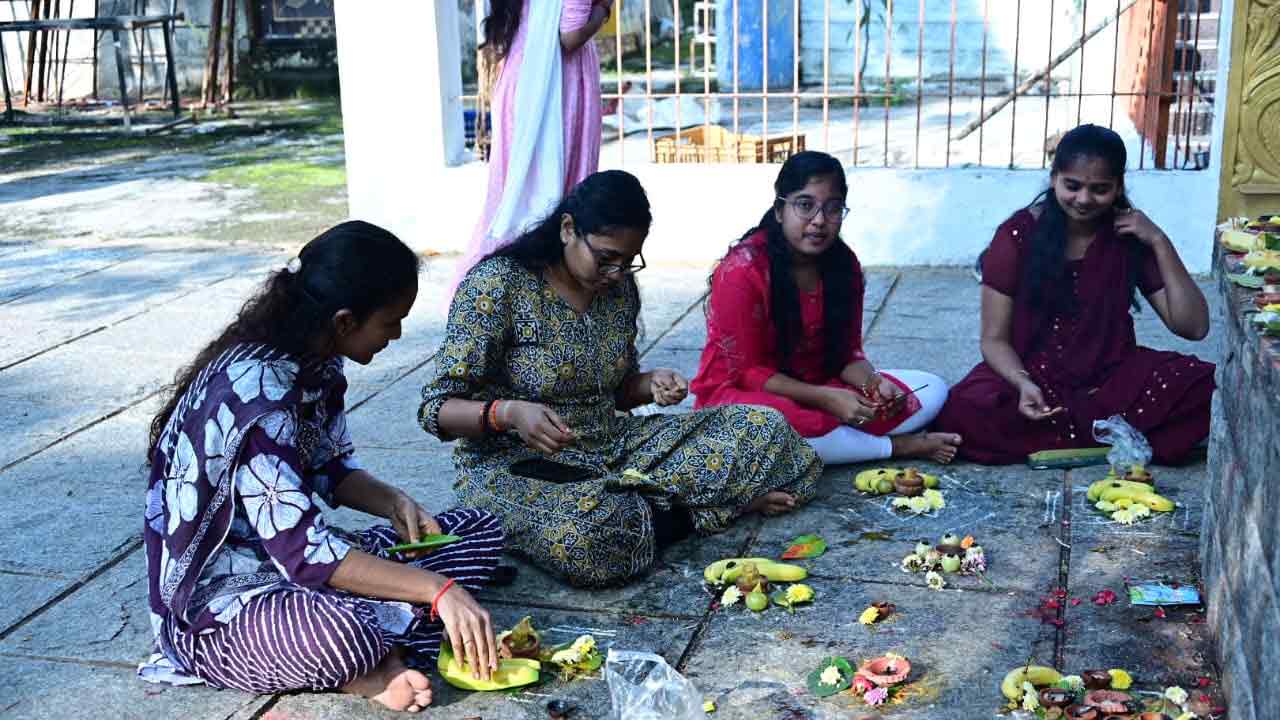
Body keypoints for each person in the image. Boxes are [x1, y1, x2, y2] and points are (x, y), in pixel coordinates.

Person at [141, 222, 505, 714]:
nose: (396, 335)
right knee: (344, 633)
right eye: (390, 321)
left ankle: (390, 638)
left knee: (479, 531)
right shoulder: (259, 396)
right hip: (221, 603)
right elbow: (307, 557)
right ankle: (368, 663)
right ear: (344, 321)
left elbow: (330, 468)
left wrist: (394, 502)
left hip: (290, 560)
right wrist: (437, 590)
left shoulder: (319, 363)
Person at [420, 170, 821, 588]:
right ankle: (707, 510)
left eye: (628, 261)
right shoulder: (498, 285)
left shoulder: (618, 290)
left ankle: (653, 513)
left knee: (765, 429)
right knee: (590, 532)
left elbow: (619, 390)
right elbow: (436, 409)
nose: (616, 273)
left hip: (614, 445)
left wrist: (650, 384)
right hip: (516, 462)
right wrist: (508, 413)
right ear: (568, 229)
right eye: (606, 258)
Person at [934, 124, 1214, 464]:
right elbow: (994, 340)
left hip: (1113, 381)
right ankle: (1113, 436)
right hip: (1033, 380)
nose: (1083, 200)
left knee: (1205, 388)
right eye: (1073, 186)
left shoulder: (1128, 236)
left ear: (1119, 187)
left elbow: (1193, 327)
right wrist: (1023, 384)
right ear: (1054, 179)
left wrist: (1159, 241)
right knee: (963, 410)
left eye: (1099, 189)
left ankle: (1090, 436)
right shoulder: (1017, 235)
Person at [691, 151, 961, 465]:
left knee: (932, 392)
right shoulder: (742, 270)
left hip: (820, 383)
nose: (819, 221)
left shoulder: (844, 265)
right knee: (770, 429)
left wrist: (872, 383)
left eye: (832, 209)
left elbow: (845, 355)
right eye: (805, 205)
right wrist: (826, 399)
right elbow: (749, 373)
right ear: (780, 210)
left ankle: (845, 438)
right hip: (745, 394)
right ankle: (898, 447)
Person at [452, 0, 611, 291]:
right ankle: (540, 296)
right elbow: (571, 36)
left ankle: (484, 292)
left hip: (522, 80)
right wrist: (603, 9)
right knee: (553, 201)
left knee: (510, 198)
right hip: (558, 92)